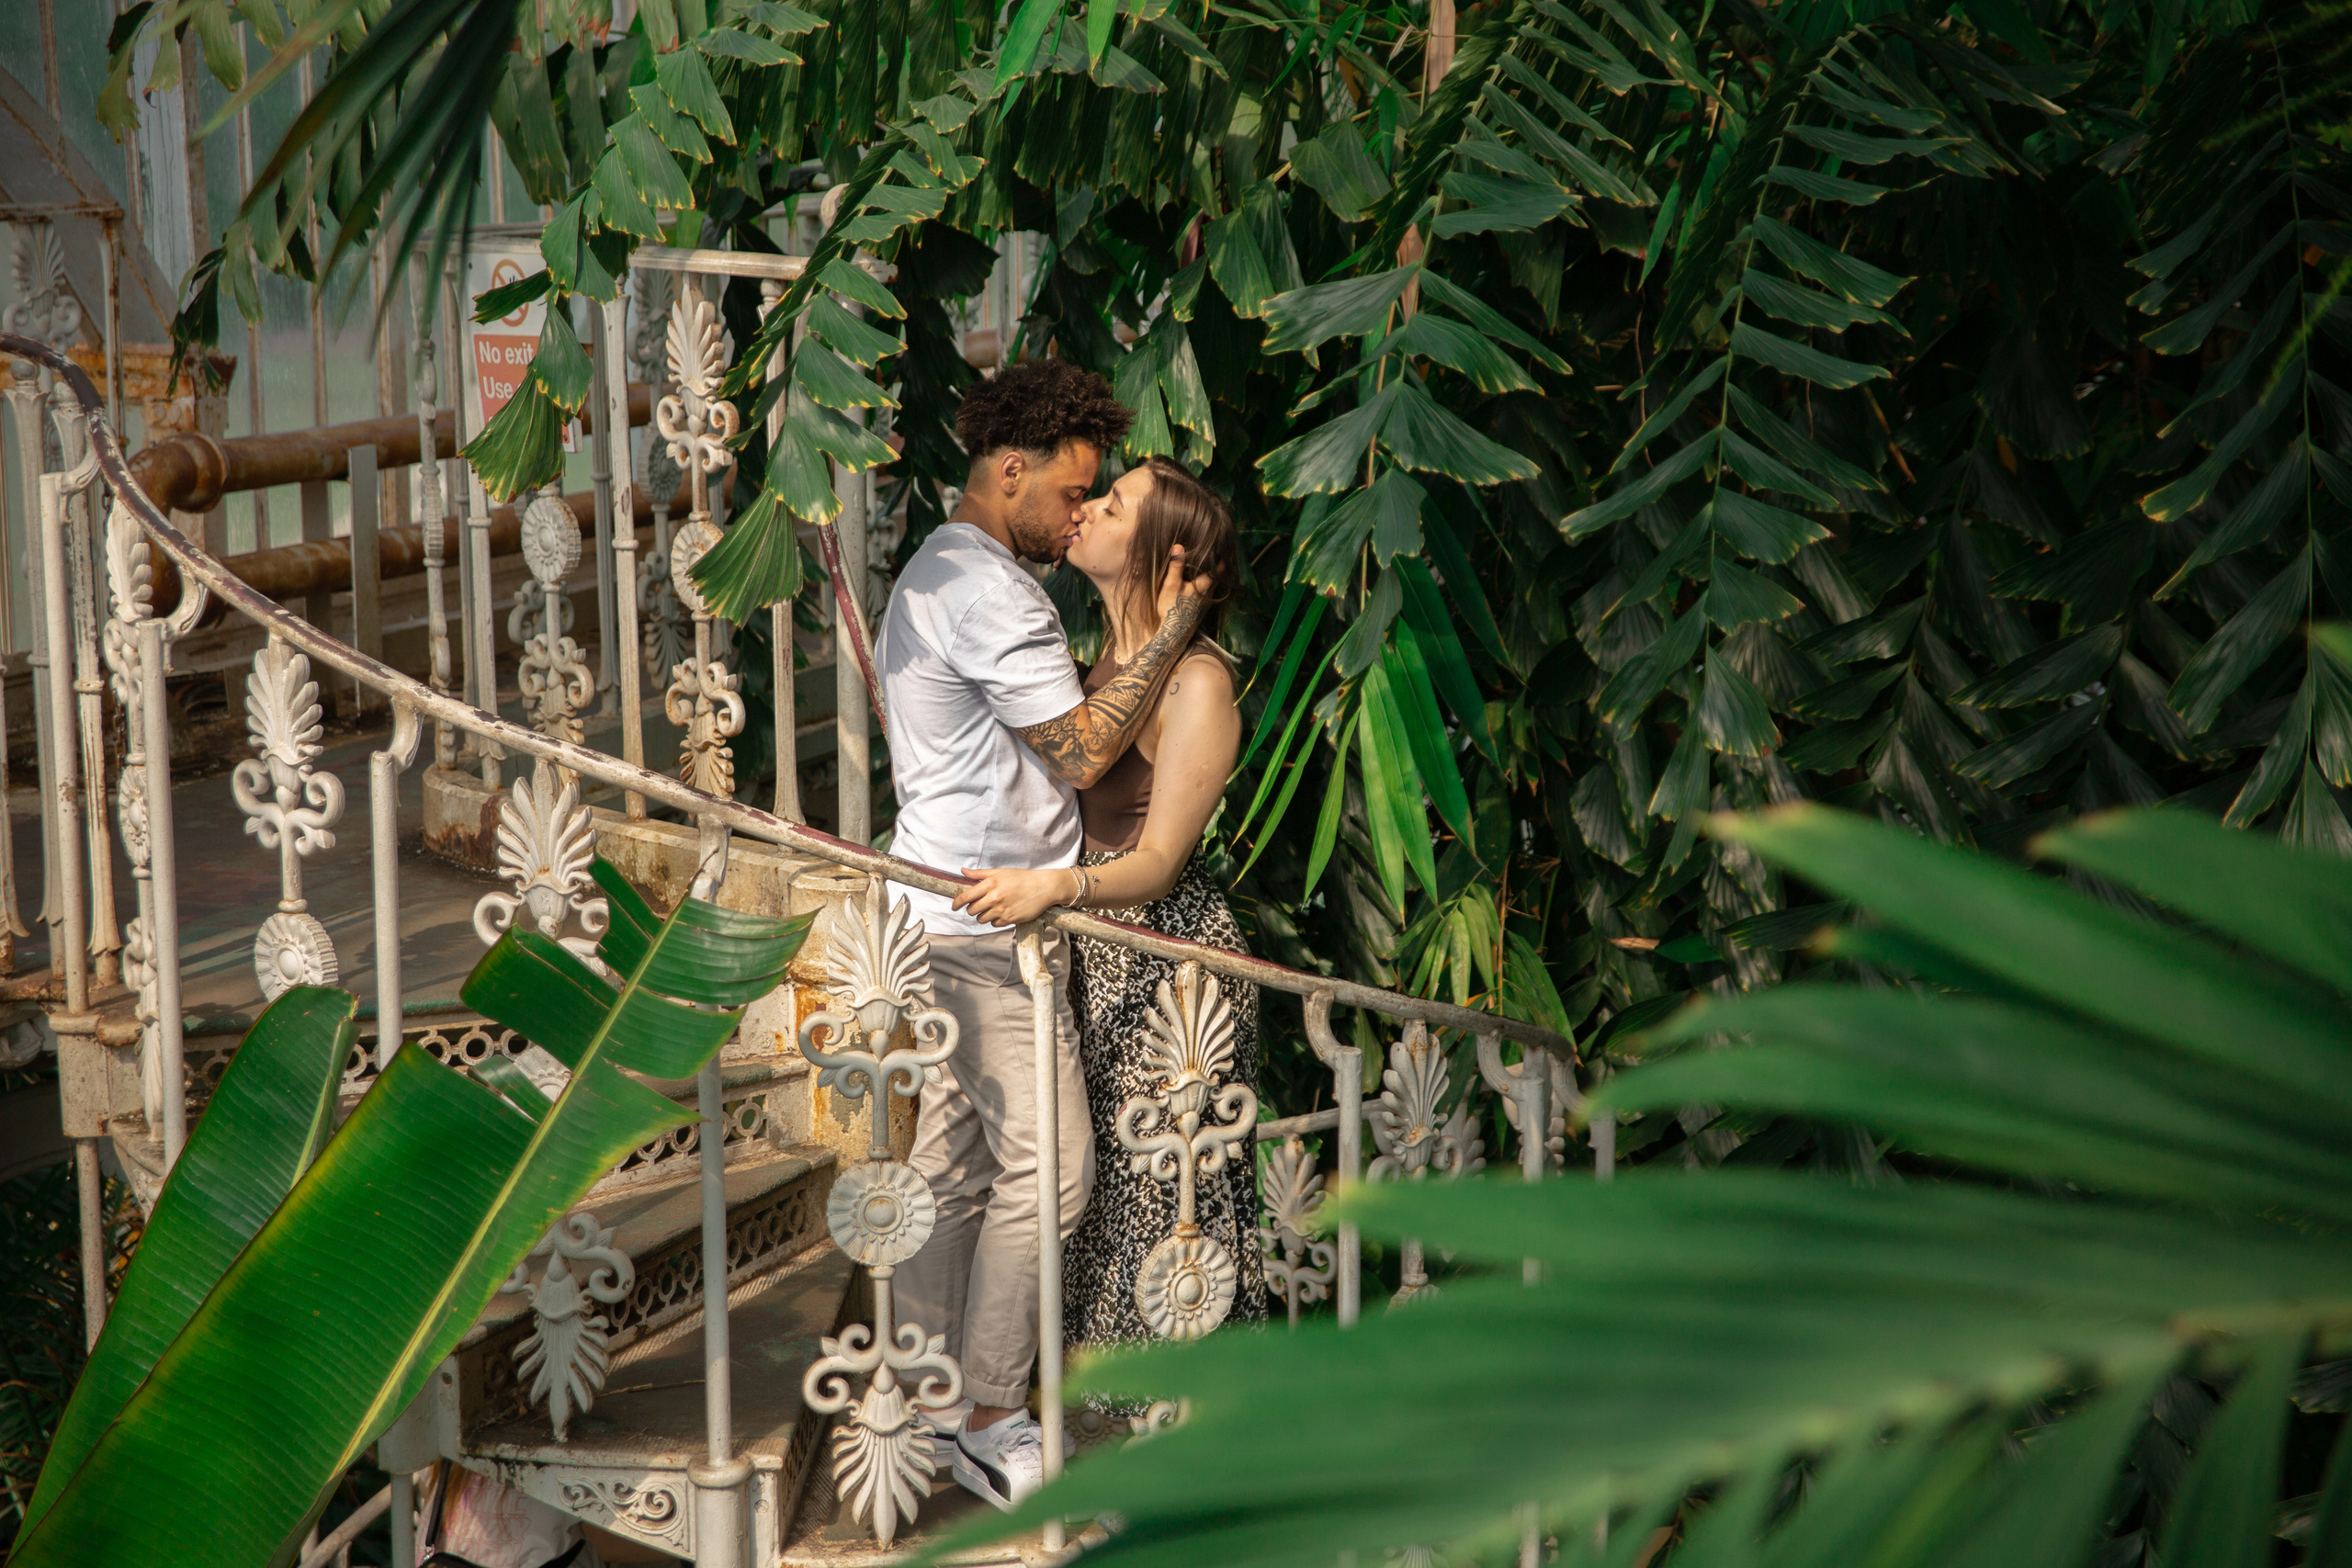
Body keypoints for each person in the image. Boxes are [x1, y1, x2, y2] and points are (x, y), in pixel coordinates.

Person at [879, 360, 1209, 1512]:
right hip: (980, 921)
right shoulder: (988, 592)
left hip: (946, 899)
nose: (1078, 515)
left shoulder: (943, 564)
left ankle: (921, 1402)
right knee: (1051, 1169)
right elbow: (1078, 755)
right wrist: (1174, 634)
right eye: (1072, 494)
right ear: (1008, 473)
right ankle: (980, 1412)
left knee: (961, 1164)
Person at [956, 457, 1265, 1411]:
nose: (1085, 509)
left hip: (1168, 971)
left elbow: (1162, 860)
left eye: (1113, 503)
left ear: (1164, 553)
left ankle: (1186, 1440)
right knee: (1093, 1207)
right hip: (1090, 958)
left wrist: (1054, 886)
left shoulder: (1198, 686)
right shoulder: (1095, 671)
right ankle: (1103, 1434)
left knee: (1164, 1207)